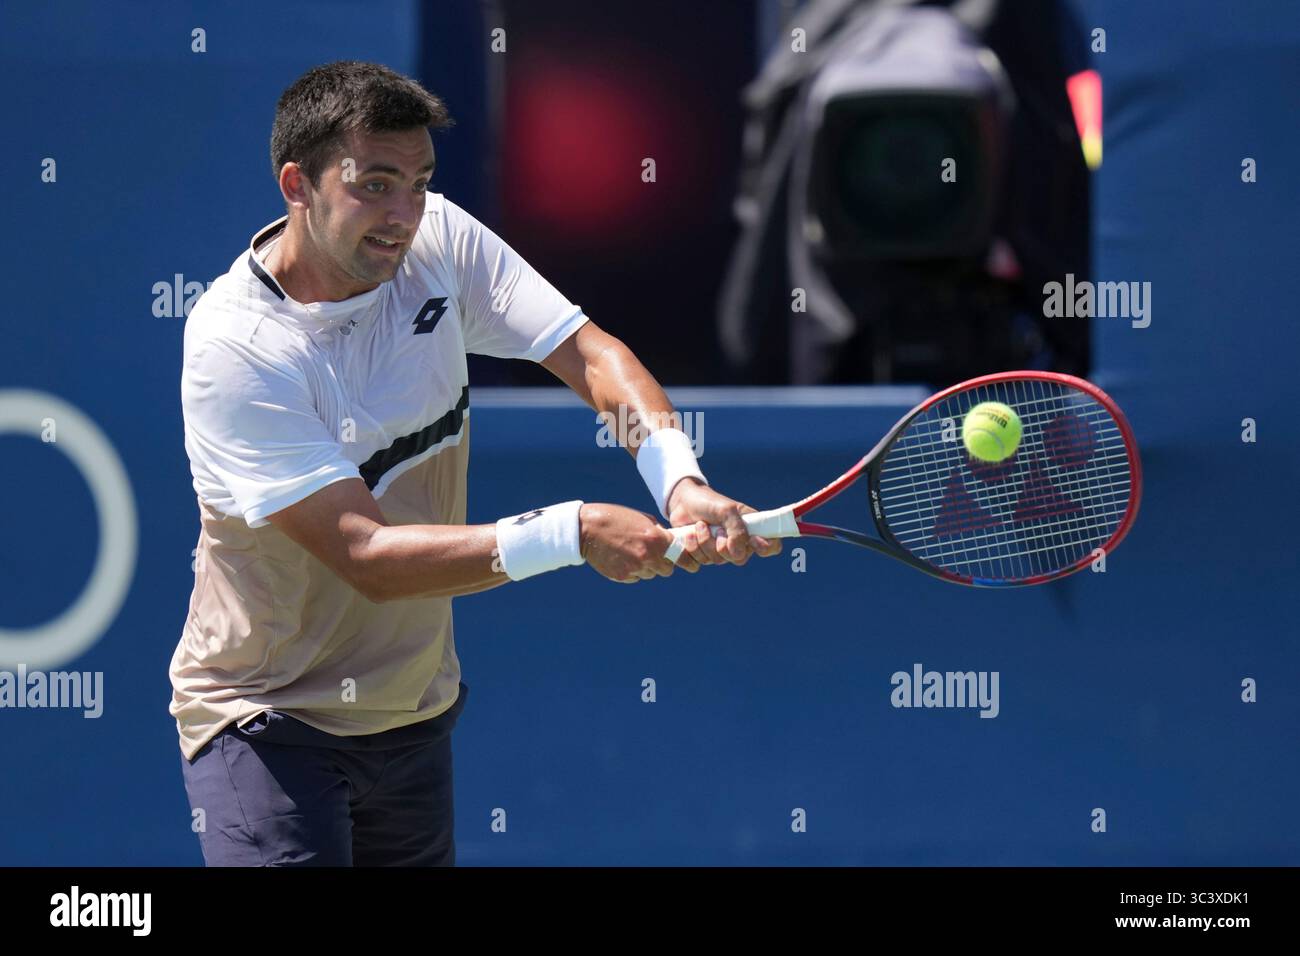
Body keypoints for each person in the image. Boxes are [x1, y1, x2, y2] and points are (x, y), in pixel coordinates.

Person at [170, 60, 780, 867]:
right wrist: (574, 530)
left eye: (419, 183)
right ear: (298, 185)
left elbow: (592, 357)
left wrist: (679, 478)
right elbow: (367, 555)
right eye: (376, 185)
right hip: (267, 724)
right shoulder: (236, 348)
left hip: (413, 715)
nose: (404, 215)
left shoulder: (441, 242)